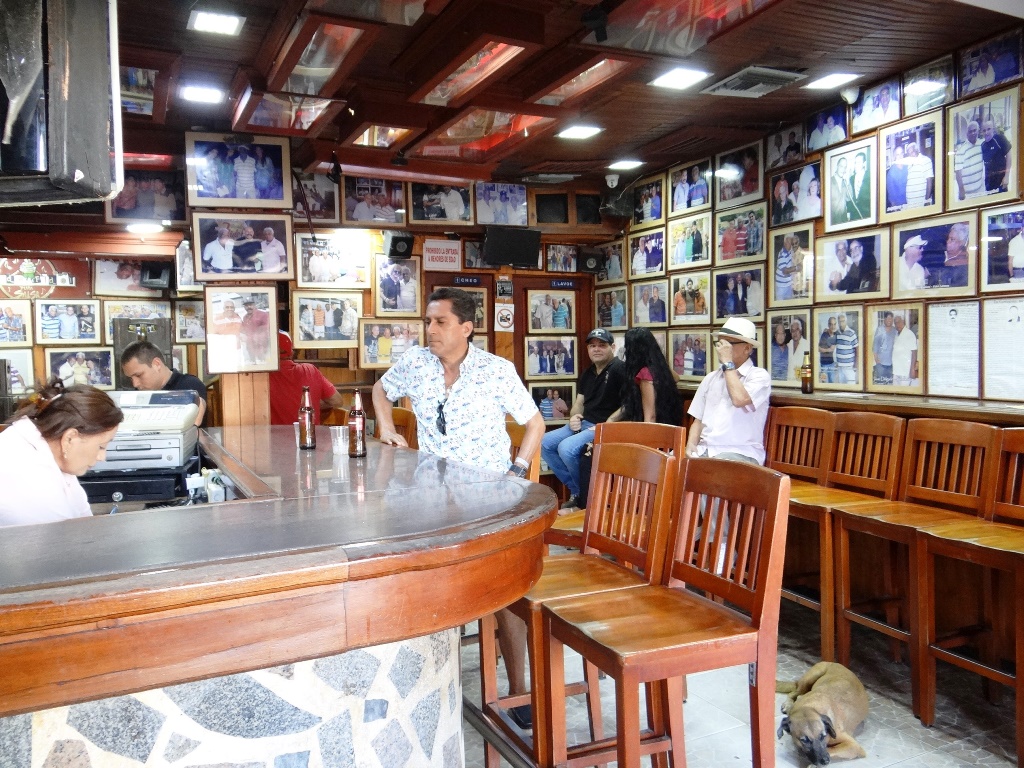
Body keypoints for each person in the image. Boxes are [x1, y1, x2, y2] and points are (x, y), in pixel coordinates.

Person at [372, 287, 544, 723]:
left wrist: (518, 470)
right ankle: (422, 680)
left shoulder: (496, 370)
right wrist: (387, 429)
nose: (430, 329)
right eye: (428, 321)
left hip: (488, 501)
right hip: (430, 498)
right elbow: (380, 390)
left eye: (440, 322)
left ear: (465, 328)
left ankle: (519, 689)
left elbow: (534, 423)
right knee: (409, 571)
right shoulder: (416, 363)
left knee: (505, 587)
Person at [0, 381, 124, 527]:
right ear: (70, 439)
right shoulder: (27, 472)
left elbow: (85, 521)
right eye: (101, 447)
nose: (102, 457)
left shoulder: (51, 452)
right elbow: (67, 538)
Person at [541, 328, 627, 511]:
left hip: (606, 427)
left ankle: (584, 497)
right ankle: (578, 491)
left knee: (566, 448)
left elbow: (628, 405)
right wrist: (573, 417)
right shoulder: (588, 373)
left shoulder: (621, 369)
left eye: (602, 345)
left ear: (613, 347)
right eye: (592, 346)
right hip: (584, 423)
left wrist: (607, 425)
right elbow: (579, 403)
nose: (596, 349)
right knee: (544, 442)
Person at [684, 316, 770, 465]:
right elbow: (698, 420)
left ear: (747, 348)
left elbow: (739, 399)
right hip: (705, 450)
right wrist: (691, 444)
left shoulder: (759, 376)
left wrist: (728, 364)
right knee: (664, 465)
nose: (721, 349)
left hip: (741, 452)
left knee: (711, 472)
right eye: (720, 343)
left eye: (728, 344)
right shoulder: (711, 378)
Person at [120, 341, 207, 427]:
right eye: (130, 378)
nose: (135, 384)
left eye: (139, 375)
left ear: (157, 364)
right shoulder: (136, 395)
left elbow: (194, 422)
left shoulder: (190, 385)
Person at [608, 327, 683, 425]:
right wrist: (611, 420)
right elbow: (677, 378)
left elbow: (650, 418)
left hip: (654, 428)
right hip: (669, 422)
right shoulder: (659, 367)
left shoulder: (645, 374)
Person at [268, 331, 345, 425]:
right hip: (310, 434)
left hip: (275, 435)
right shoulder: (310, 370)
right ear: (291, 352)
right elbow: (337, 401)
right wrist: (311, 404)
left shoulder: (261, 376)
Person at [954, 120, 985, 201]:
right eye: (970, 131)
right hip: (967, 193)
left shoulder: (981, 145)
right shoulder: (961, 150)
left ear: (978, 131)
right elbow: (958, 171)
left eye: (974, 130)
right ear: (967, 133)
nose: (973, 133)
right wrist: (961, 189)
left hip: (979, 189)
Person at [981, 119, 1013, 194]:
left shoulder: (1000, 138)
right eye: (984, 130)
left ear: (993, 129)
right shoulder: (983, 145)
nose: (986, 132)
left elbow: (1009, 155)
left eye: (988, 129)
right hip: (989, 184)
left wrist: (1007, 176)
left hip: (1001, 181)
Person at [903, 141, 934, 208]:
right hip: (910, 201)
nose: (910, 155)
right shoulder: (909, 163)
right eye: (909, 154)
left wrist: (927, 201)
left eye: (912, 152)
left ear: (917, 150)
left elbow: (929, 181)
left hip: (921, 201)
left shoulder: (926, 160)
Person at [240, 299, 270, 364]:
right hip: (250, 345)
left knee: (263, 362)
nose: (248, 307)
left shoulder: (263, 314)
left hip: (261, 344)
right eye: (246, 305)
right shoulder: (245, 317)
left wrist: (257, 336)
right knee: (252, 363)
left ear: (254, 305)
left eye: (250, 305)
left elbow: (266, 328)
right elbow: (244, 329)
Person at [891, 313, 918, 386]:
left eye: (899, 322)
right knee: (895, 391)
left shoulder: (909, 334)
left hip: (905, 371)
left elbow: (914, 352)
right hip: (896, 370)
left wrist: (912, 369)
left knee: (904, 391)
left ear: (903, 322)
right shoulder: (897, 334)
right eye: (895, 323)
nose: (897, 325)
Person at [941, 222, 970, 287]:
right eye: (948, 238)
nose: (948, 242)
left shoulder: (965, 263)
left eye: (952, 239)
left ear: (961, 242)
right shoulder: (940, 256)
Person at [872, 311, 897, 384]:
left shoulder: (895, 330)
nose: (889, 321)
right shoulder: (879, 330)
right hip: (880, 363)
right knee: (880, 383)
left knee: (890, 384)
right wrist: (876, 359)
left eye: (891, 319)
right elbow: (875, 345)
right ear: (884, 319)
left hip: (891, 364)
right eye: (888, 318)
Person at [835, 313, 859, 384]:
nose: (841, 323)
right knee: (842, 387)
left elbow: (857, 349)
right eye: (839, 321)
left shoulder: (852, 333)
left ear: (846, 321)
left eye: (843, 321)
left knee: (851, 386)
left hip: (849, 366)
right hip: (840, 366)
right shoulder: (837, 333)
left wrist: (856, 364)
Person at [848, 152, 871, 221]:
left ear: (864, 163)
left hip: (867, 216)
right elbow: (850, 198)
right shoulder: (851, 179)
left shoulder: (870, 176)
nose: (855, 165)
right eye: (855, 163)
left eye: (858, 163)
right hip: (854, 217)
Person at [818, 316, 838, 383]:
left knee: (832, 382)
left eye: (834, 324)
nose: (833, 326)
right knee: (824, 383)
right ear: (828, 325)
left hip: (832, 363)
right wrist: (828, 350)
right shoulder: (824, 335)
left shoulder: (836, 334)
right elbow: (818, 348)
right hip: (824, 364)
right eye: (831, 324)